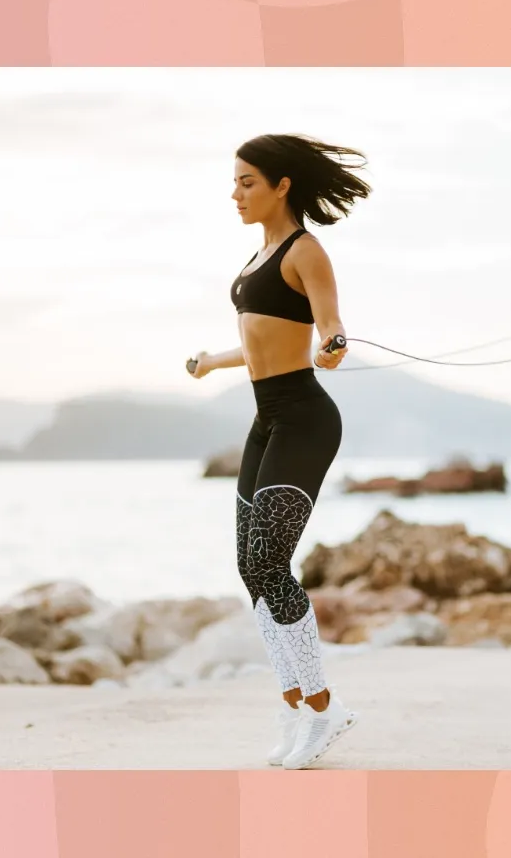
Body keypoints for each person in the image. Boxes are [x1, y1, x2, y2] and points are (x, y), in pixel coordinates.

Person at [187, 134, 371, 770]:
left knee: (270, 560)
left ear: (281, 186)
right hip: (266, 419)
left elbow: (327, 329)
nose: (235, 193)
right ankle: (295, 704)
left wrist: (336, 344)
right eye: (234, 182)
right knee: (250, 567)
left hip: (305, 420)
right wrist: (214, 359)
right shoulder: (256, 256)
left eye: (247, 182)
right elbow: (263, 341)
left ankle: (323, 707)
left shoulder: (306, 251)